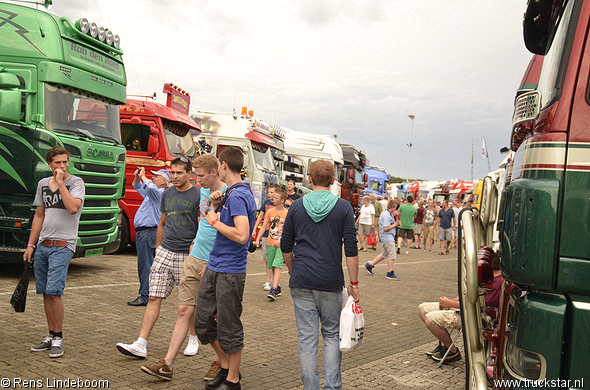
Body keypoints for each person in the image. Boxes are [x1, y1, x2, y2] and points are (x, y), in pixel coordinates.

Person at [140, 154, 227, 381]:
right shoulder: (203, 193)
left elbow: (228, 233)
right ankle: (167, 364)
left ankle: (223, 361)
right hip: (193, 257)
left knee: (209, 318)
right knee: (183, 311)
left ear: (213, 172)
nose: (197, 181)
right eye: (195, 176)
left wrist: (212, 259)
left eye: (199, 176)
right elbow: (200, 225)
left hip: (212, 262)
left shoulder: (228, 193)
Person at [281, 159, 360, 390]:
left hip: (302, 280)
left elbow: (286, 246)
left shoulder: (296, 206)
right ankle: (333, 387)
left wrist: (292, 270)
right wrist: (354, 284)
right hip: (331, 282)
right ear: (334, 180)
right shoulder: (343, 207)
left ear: (310, 179)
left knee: (307, 340)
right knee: (332, 336)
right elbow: (352, 250)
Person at [116, 156, 200, 358]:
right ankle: (141, 343)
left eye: (180, 172)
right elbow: (161, 222)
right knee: (153, 296)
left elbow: (201, 225)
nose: (176, 176)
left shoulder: (198, 194)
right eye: (173, 172)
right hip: (165, 252)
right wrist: (158, 248)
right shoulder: (167, 193)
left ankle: (193, 338)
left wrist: (194, 251)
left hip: (186, 255)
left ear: (190, 174)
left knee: (187, 303)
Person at [195, 146, 257, 390]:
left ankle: (233, 380)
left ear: (222, 165)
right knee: (202, 322)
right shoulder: (230, 193)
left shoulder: (240, 195)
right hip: (216, 265)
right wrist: (217, 206)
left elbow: (242, 235)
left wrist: (214, 220)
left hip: (230, 271)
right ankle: (225, 366)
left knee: (229, 325)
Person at [25, 146, 85, 359]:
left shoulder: (76, 183)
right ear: (49, 164)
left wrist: (60, 183)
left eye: (65, 162)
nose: (62, 166)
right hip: (43, 245)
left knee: (55, 290)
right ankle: (50, 334)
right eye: (58, 163)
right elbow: (39, 216)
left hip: (63, 245)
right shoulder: (42, 184)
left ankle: (58, 337)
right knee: (46, 292)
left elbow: (73, 208)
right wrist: (31, 246)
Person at [418, 254, 502, 363]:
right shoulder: (488, 277)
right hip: (464, 308)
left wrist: (449, 303)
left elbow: (476, 305)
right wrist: (451, 302)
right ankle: (444, 345)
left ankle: (452, 351)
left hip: (475, 316)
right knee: (422, 309)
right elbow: (467, 296)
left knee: (430, 320)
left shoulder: (497, 283)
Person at [128, 167, 170, 307]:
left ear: (164, 181)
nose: (153, 178)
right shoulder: (153, 194)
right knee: (146, 264)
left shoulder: (159, 193)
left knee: (145, 265)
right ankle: (149, 293)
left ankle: (146, 295)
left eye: (156, 176)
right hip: (145, 232)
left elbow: (149, 188)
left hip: (147, 232)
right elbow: (138, 186)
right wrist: (138, 177)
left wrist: (143, 176)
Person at [255, 189, 288, 300]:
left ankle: (273, 290)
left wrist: (283, 240)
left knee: (277, 264)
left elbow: (289, 230)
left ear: (282, 200)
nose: (273, 199)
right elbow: (264, 227)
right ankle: (277, 286)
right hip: (270, 242)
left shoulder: (287, 213)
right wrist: (258, 239)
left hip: (280, 244)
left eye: (276, 198)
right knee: (271, 265)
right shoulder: (270, 212)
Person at [253, 182, 281, 290]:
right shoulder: (266, 203)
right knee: (267, 259)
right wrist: (255, 230)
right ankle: (269, 281)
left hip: (277, 236)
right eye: (268, 192)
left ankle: (276, 282)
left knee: (276, 260)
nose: (269, 194)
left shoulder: (280, 205)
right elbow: (260, 217)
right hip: (266, 235)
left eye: (272, 192)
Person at [364, 199, 401, 280]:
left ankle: (369, 265)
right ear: (392, 207)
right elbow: (386, 228)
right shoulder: (386, 215)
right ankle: (390, 273)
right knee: (392, 254)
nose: (396, 210)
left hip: (387, 237)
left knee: (384, 254)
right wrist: (395, 225)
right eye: (395, 208)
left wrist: (396, 223)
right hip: (387, 237)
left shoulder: (389, 214)